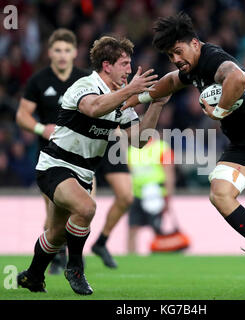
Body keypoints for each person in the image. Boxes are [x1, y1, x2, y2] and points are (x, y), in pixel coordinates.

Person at [123, 12, 245, 280]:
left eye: (178, 52)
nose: (175, 60)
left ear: (195, 43)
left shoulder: (213, 59)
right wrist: (140, 96)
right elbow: (171, 81)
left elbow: (238, 78)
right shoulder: (191, 67)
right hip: (244, 147)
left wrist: (220, 111)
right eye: (171, 55)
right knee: (219, 193)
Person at [17, 35, 170, 295]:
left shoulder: (123, 100)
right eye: (124, 64)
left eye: (130, 64)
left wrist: (156, 104)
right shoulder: (84, 85)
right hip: (56, 164)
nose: (130, 70)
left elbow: (140, 140)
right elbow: (93, 108)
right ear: (107, 65)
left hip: (84, 173)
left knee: (56, 234)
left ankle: (33, 275)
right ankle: (75, 269)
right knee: (86, 207)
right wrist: (130, 92)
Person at [16, 28, 90, 274]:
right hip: (51, 157)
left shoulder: (85, 80)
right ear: (49, 52)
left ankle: (71, 257)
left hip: (83, 157)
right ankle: (60, 258)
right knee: (53, 214)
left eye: (67, 50)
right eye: (57, 50)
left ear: (75, 52)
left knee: (84, 207)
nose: (62, 55)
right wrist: (40, 128)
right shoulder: (39, 80)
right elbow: (22, 115)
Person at [127, 137, 175, 253]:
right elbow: (128, 174)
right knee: (133, 228)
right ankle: (132, 258)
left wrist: (168, 196)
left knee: (156, 228)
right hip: (137, 193)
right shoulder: (131, 150)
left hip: (155, 194)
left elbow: (169, 172)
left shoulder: (162, 147)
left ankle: (158, 255)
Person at [91, 138, 133, 268]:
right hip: (84, 138)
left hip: (109, 139)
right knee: (85, 203)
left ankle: (101, 242)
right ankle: (71, 254)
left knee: (126, 197)